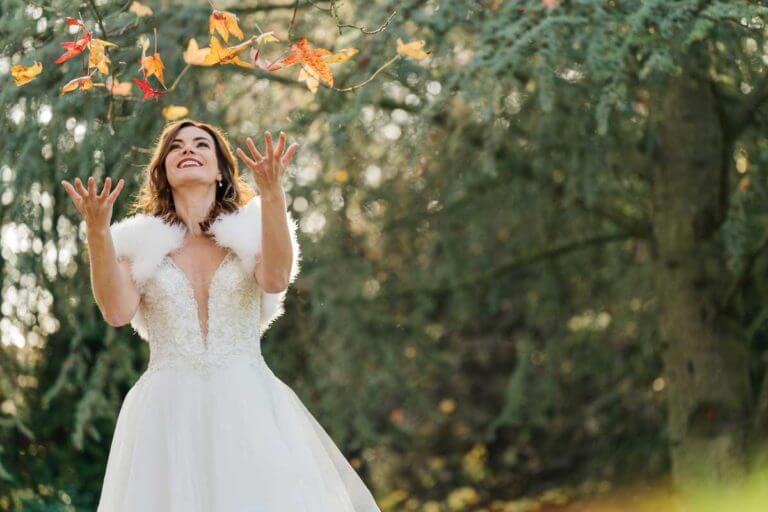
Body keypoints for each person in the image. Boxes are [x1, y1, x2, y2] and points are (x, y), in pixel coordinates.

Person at [60, 119, 382, 511]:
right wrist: (98, 232)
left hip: (247, 405)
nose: (188, 150)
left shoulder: (251, 229)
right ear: (162, 171)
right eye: (176, 147)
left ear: (220, 170)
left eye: (201, 145)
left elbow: (276, 278)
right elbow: (115, 311)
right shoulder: (138, 242)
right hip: (166, 412)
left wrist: (273, 193)